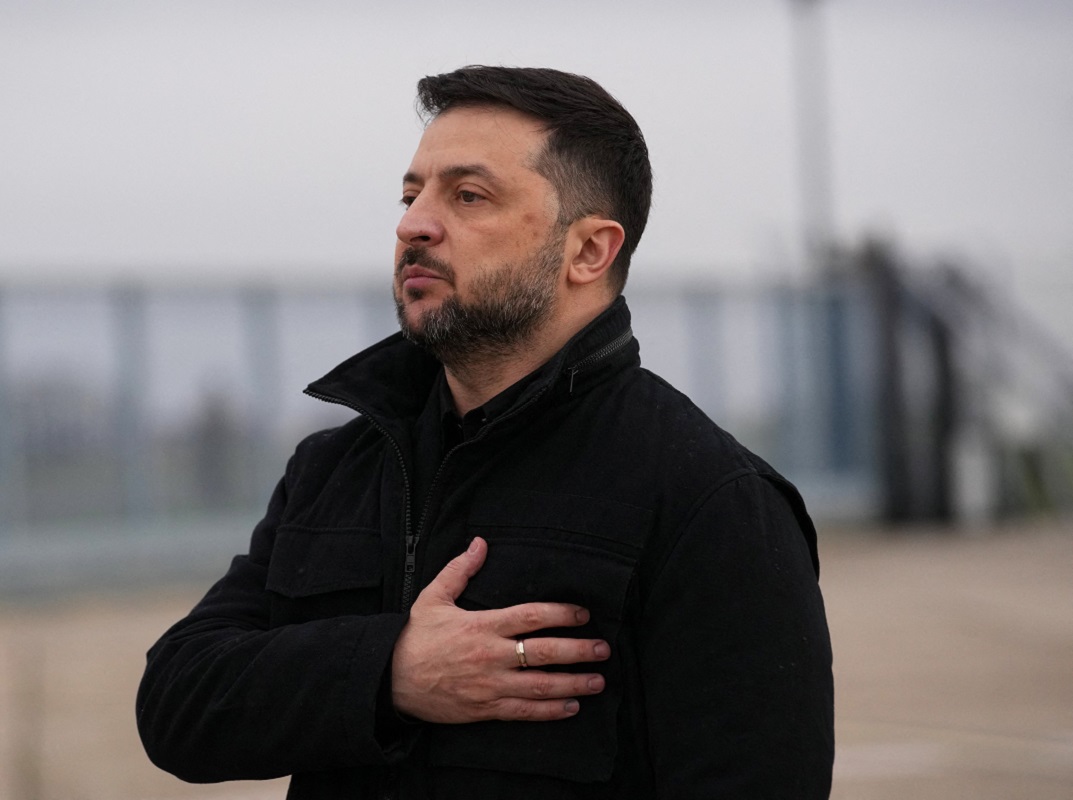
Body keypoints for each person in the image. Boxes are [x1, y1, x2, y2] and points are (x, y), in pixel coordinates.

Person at [137, 65, 834, 798]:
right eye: (411, 196)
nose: (413, 224)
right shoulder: (336, 467)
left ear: (589, 251)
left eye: (468, 196)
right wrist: (389, 672)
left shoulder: (711, 499)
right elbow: (178, 705)